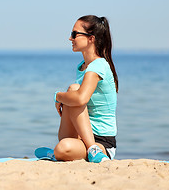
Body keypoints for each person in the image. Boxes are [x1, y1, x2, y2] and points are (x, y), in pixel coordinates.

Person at [48, 15, 118, 163]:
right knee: (72, 91)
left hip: (102, 141)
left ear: (91, 38)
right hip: (80, 135)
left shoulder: (98, 66)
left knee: (74, 91)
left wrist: (58, 96)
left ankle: (93, 150)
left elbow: (81, 99)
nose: (70, 38)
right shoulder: (82, 67)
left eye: (74, 34)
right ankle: (61, 152)